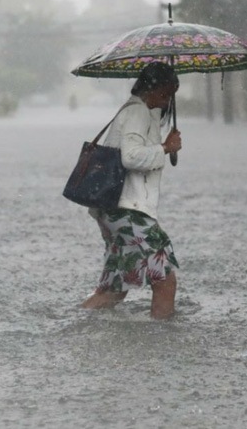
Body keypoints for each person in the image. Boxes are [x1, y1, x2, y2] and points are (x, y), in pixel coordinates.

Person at [80, 61, 183, 319]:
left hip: (113, 209)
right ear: (152, 88)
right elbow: (131, 157)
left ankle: (76, 324)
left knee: (113, 289)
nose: (167, 100)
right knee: (165, 281)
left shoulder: (139, 112)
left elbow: (134, 152)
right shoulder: (137, 113)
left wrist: (162, 145)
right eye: (165, 93)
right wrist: (165, 148)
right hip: (129, 211)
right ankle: (164, 346)